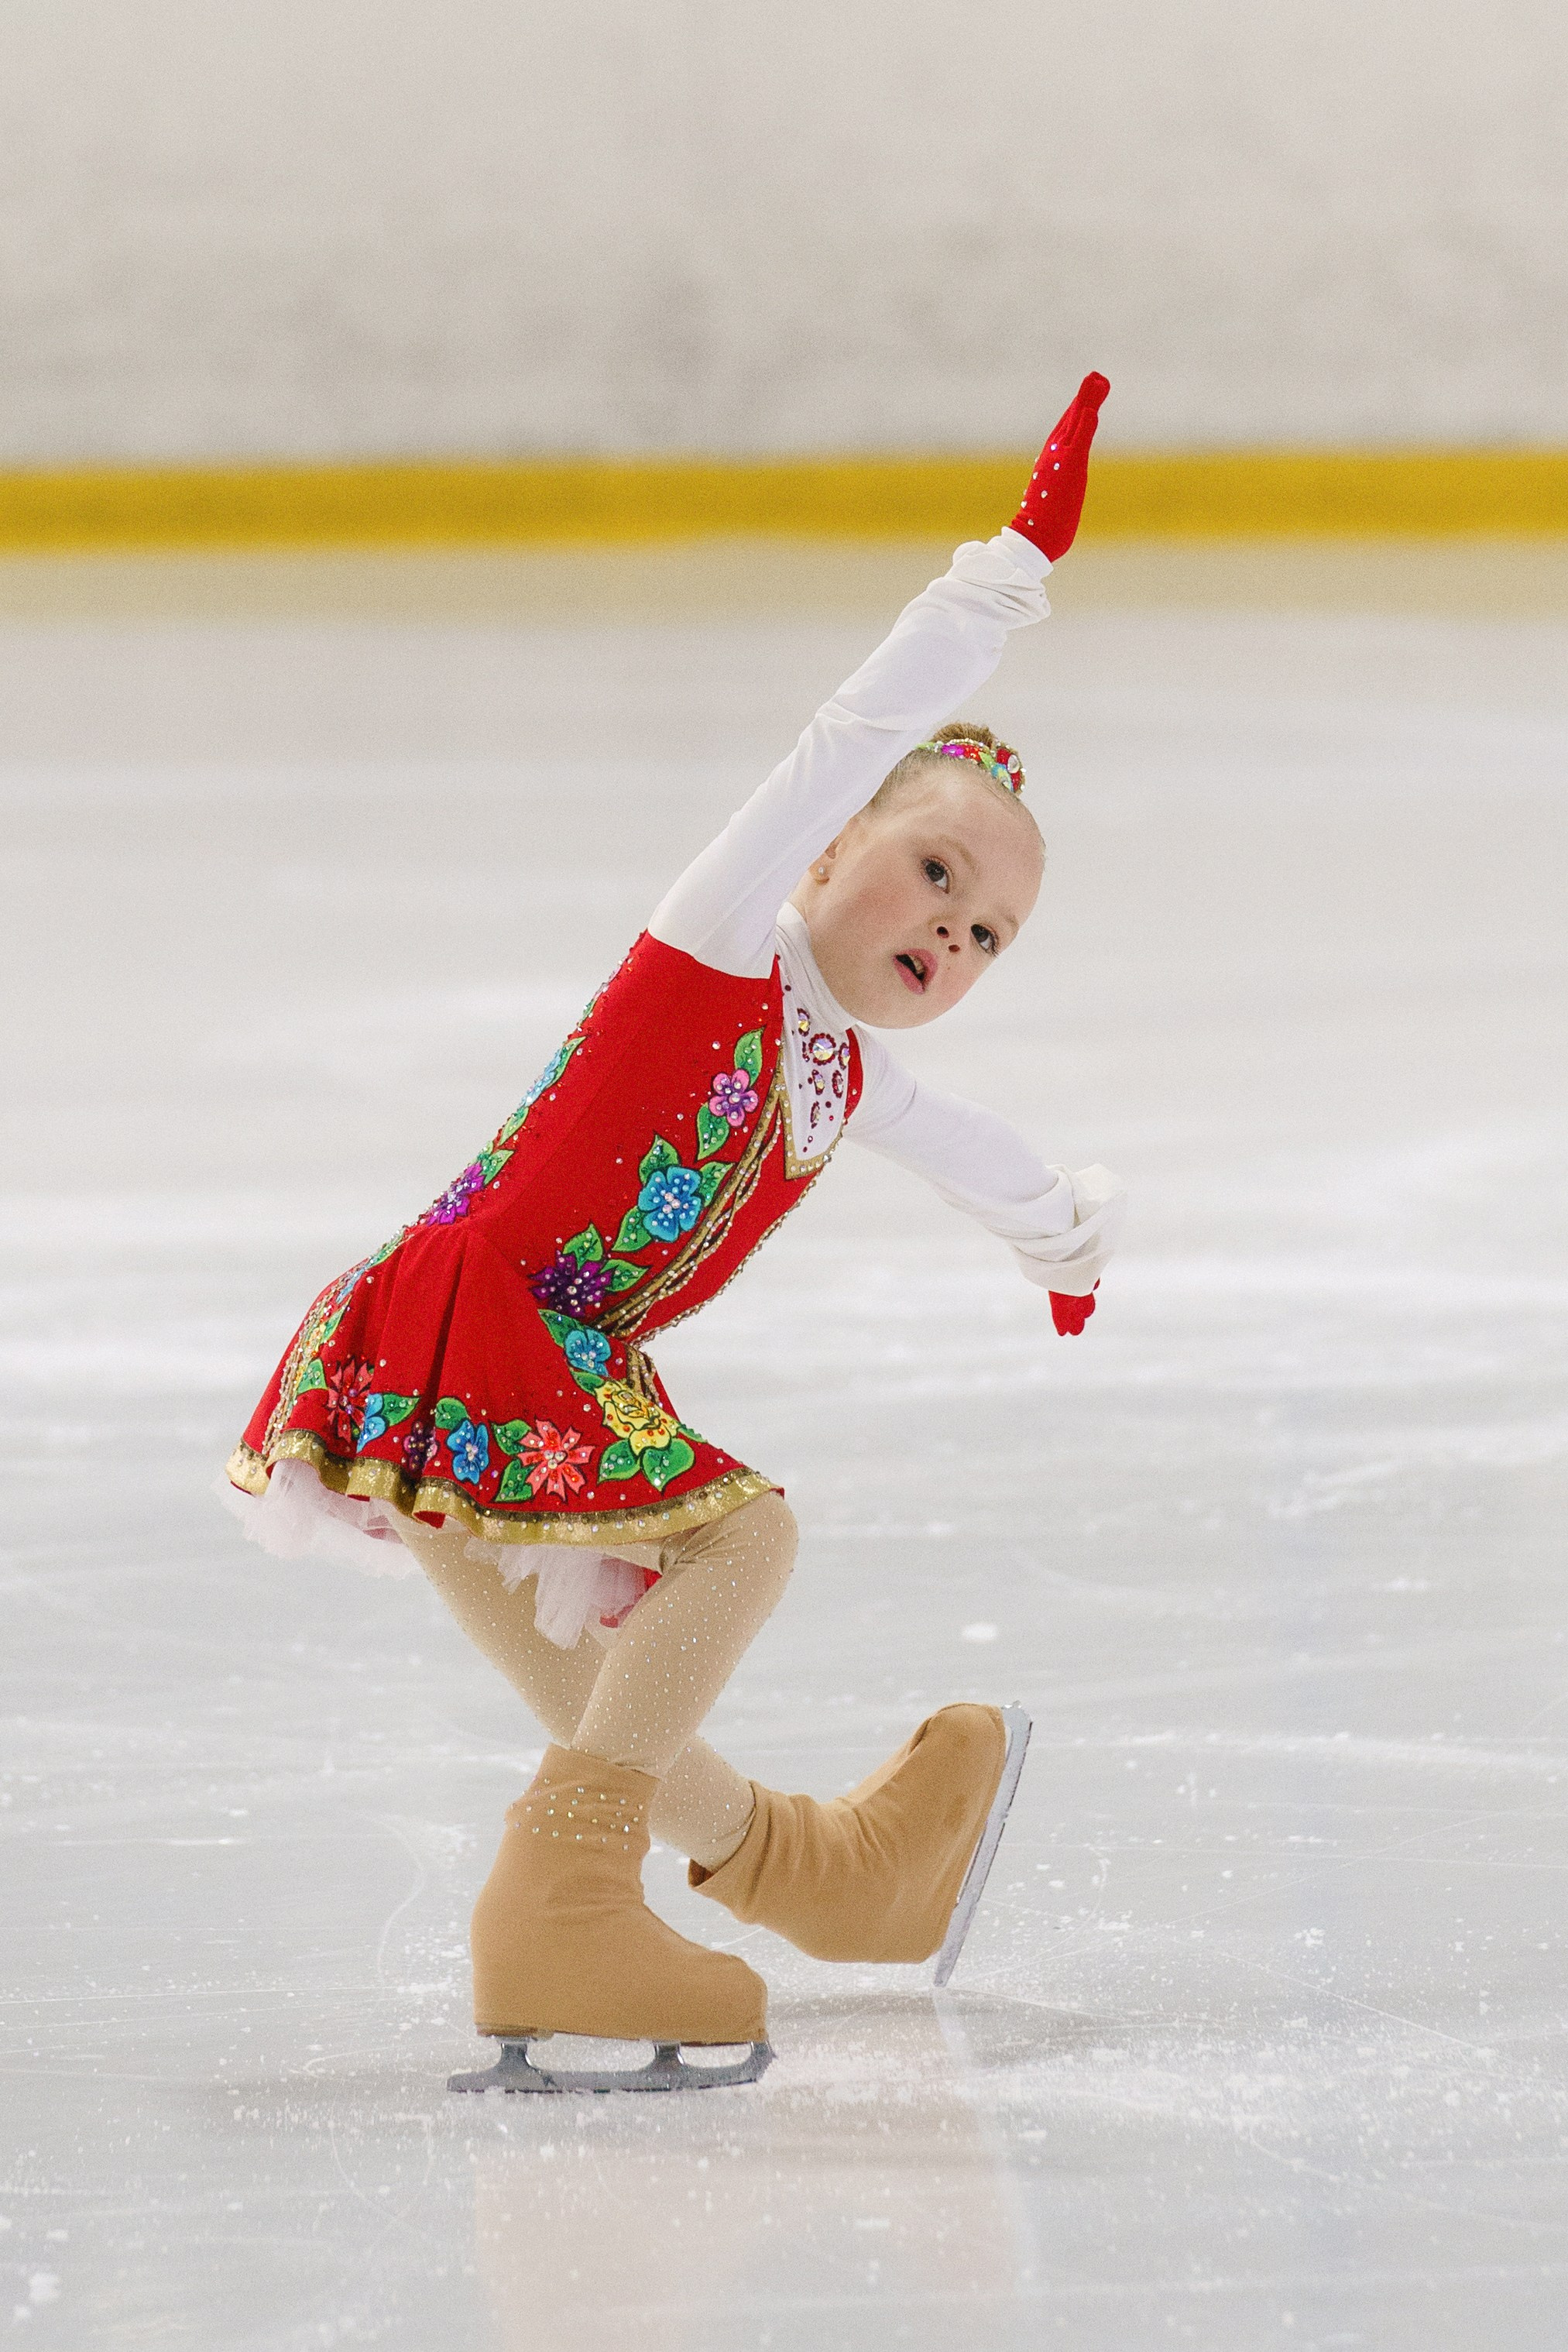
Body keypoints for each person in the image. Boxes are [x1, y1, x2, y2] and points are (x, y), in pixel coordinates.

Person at [222, 373, 1124, 2087]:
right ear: (828, 852)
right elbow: (852, 728)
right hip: (480, 1317)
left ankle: (820, 1877)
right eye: (935, 872)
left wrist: (1056, 1239)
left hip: (501, 1351)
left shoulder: (839, 1073)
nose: (953, 928)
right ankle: (560, 1902)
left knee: (599, 1679)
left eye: (989, 934)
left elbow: (973, 1149)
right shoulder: (718, 939)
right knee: (739, 1543)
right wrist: (995, 583)